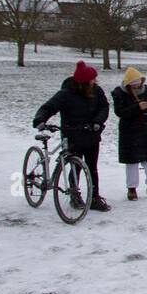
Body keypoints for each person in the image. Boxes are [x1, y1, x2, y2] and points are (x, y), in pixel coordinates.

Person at [32, 60, 112, 212]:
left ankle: (94, 197)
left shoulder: (97, 91)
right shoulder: (66, 94)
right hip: (72, 135)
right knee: (75, 166)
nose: (95, 81)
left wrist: (98, 121)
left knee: (92, 167)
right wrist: (40, 120)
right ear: (84, 82)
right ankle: (74, 195)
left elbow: (104, 107)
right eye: (92, 79)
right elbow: (49, 107)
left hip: (91, 135)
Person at [112, 66, 147, 201]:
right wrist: (137, 107)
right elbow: (120, 112)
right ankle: (132, 188)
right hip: (129, 130)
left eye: (139, 83)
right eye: (134, 84)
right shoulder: (119, 93)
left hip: (145, 128)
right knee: (132, 161)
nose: (138, 86)